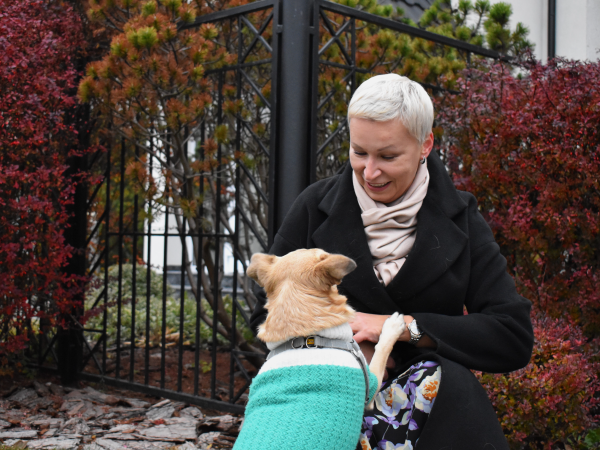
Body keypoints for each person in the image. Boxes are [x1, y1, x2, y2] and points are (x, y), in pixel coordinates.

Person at [249, 73, 534, 450]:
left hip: (435, 413)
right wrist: (335, 339)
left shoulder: (461, 218)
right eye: (358, 152)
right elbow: (263, 318)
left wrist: (404, 328)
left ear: (425, 145)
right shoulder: (314, 208)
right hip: (327, 407)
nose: (369, 172)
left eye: (387, 156)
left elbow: (511, 335)